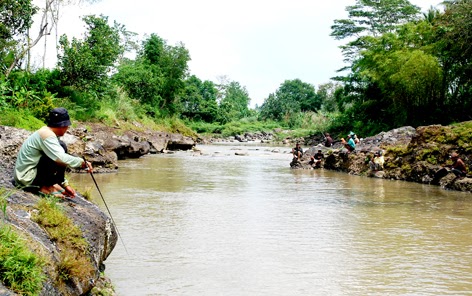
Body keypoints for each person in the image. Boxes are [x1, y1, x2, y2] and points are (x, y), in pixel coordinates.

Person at [14, 107, 93, 199]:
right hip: (26, 179)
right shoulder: (47, 136)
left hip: (25, 176)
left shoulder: (46, 132)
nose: (67, 128)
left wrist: (65, 184)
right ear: (63, 125)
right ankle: (46, 187)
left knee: (60, 146)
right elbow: (61, 158)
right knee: (59, 152)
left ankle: (52, 184)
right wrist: (82, 163)